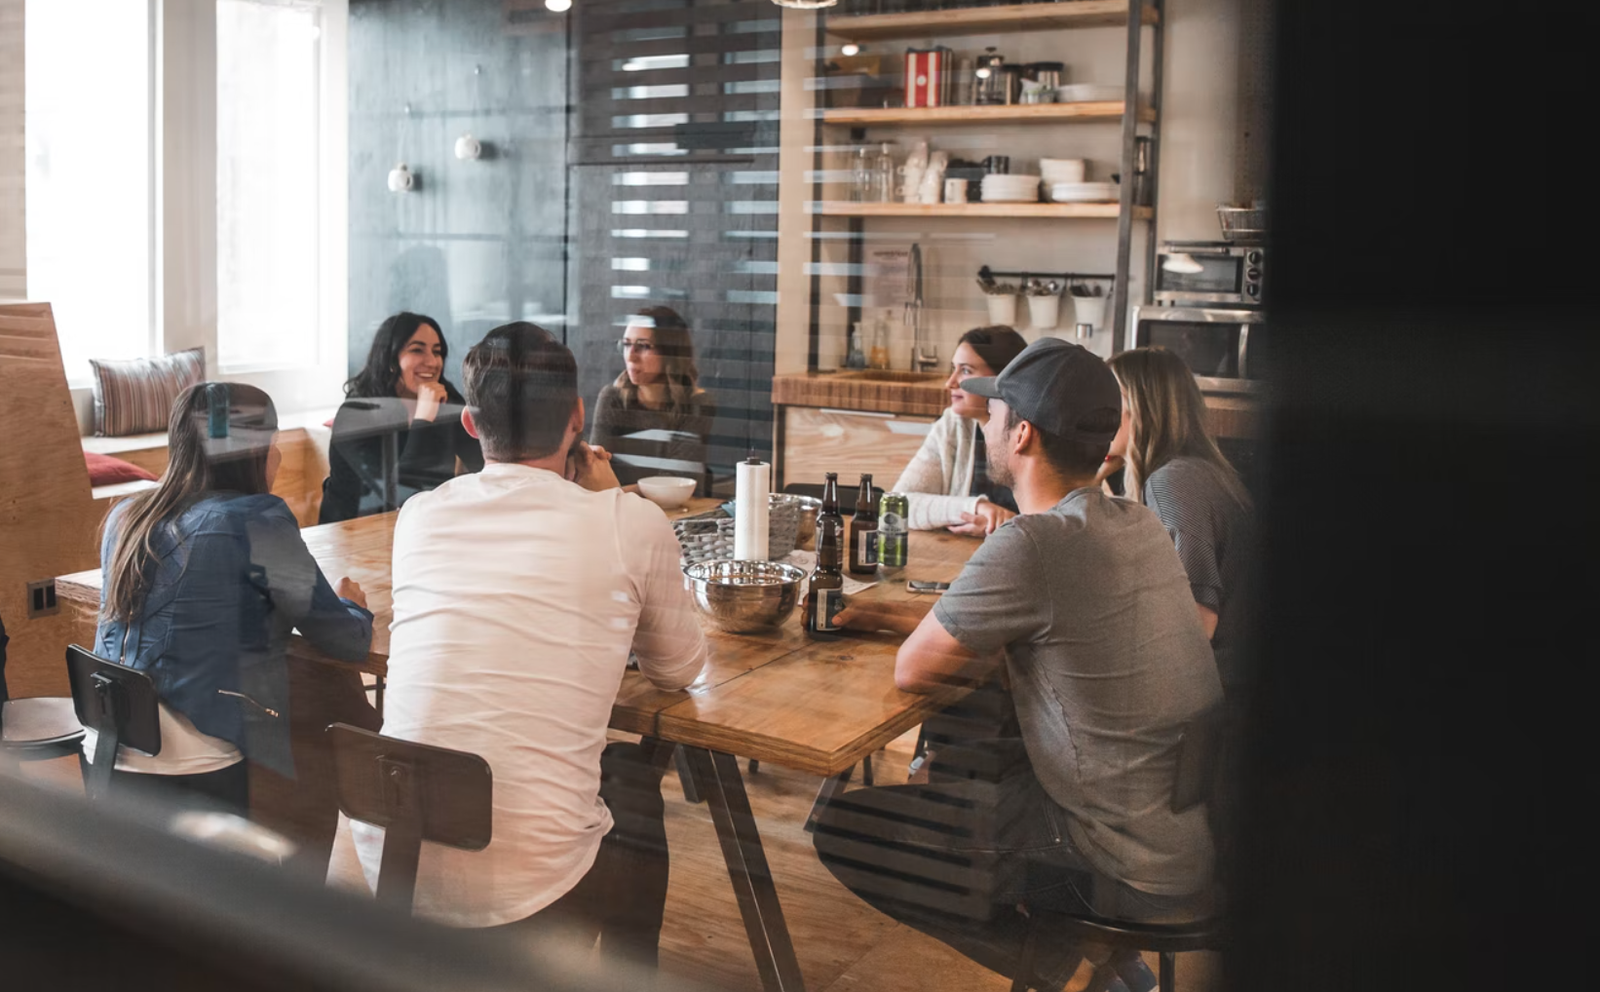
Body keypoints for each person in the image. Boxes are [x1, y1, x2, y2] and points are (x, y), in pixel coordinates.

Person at [811, 338, 1224, 992]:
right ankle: (1106, 966)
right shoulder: (1131, 522)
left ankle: (1060, 958)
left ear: (1023, 434)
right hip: (1184, 839)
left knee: (849, 829)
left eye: (999, 410)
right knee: (971, 757)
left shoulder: (1033, 542)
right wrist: (879, 616)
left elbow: (913, 673)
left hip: (1118, 866)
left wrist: (894, 627)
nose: (989, 420)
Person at [345, 321, 708, 971]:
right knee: (633, 788)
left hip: (391, 860)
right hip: (529, 891)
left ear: (470, 425)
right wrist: (609, 501)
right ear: (577, 418)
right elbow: (679, 670)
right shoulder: (630, 522)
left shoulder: (421, 516)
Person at [90, 383, 374, 821]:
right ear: (257, 450)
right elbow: (344, 640)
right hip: (194, 762)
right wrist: (353, 603)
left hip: (107, 750)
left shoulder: (125, 517)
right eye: (275, 444)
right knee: (323, 721)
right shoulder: (256, 520)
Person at [1106, 347, 1254, 694]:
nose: (1096, 413)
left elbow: (1195, 625)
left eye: (1107, 399)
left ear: (1137, 406)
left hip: (1220, 692)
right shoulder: (1195, 470)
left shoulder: (1174, 482)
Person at [319, 312, 485, 523]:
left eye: (438, 352)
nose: (433, 362)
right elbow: (401, 495)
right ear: (390, 360)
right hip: (354, 532)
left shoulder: (446, 399)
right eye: (417, 350)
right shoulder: (356, 414)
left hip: (424, 525)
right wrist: (425, 419)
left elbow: (484, 463)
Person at [890, 325, 1028, 535]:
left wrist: (1001, 526)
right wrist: (976, 508)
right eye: (953, 369)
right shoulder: (952, 425)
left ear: (1002, 379)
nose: (950, 382)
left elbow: (1058, 525)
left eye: (965, 371)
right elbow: (897, 504)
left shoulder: (1036, 431)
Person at [589, 305, 717, 491]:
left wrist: (614, 492)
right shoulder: (613, 398)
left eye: (643, 346)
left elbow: (678, 482)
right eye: (626, 344)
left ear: (670, 353)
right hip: (619, 510)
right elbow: (594, 470)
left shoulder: (697, 404)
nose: (630, 356)